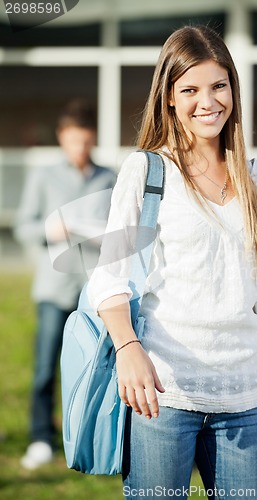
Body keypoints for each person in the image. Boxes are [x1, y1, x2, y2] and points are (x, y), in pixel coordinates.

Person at [87, 26, 257, 499]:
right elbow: (109, 279)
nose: (208, 101)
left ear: (233, 90)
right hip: (163, 398)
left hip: (244, 401)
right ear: (169, 98)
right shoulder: (146, 172)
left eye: (218, 85)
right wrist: (128, 350)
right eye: (190, 90)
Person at [15, 99, 117, 470]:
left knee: (97, 366)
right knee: (45, 367)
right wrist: (50, 229)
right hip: (53, 288)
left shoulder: (109, 178)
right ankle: (41, 437)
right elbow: (23, 226)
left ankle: (91, 434)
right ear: (62, 138)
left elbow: (121, 234)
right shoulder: (44, 176)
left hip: (94, 291)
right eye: (73, 141)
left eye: (86, 142)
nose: (80, 149)